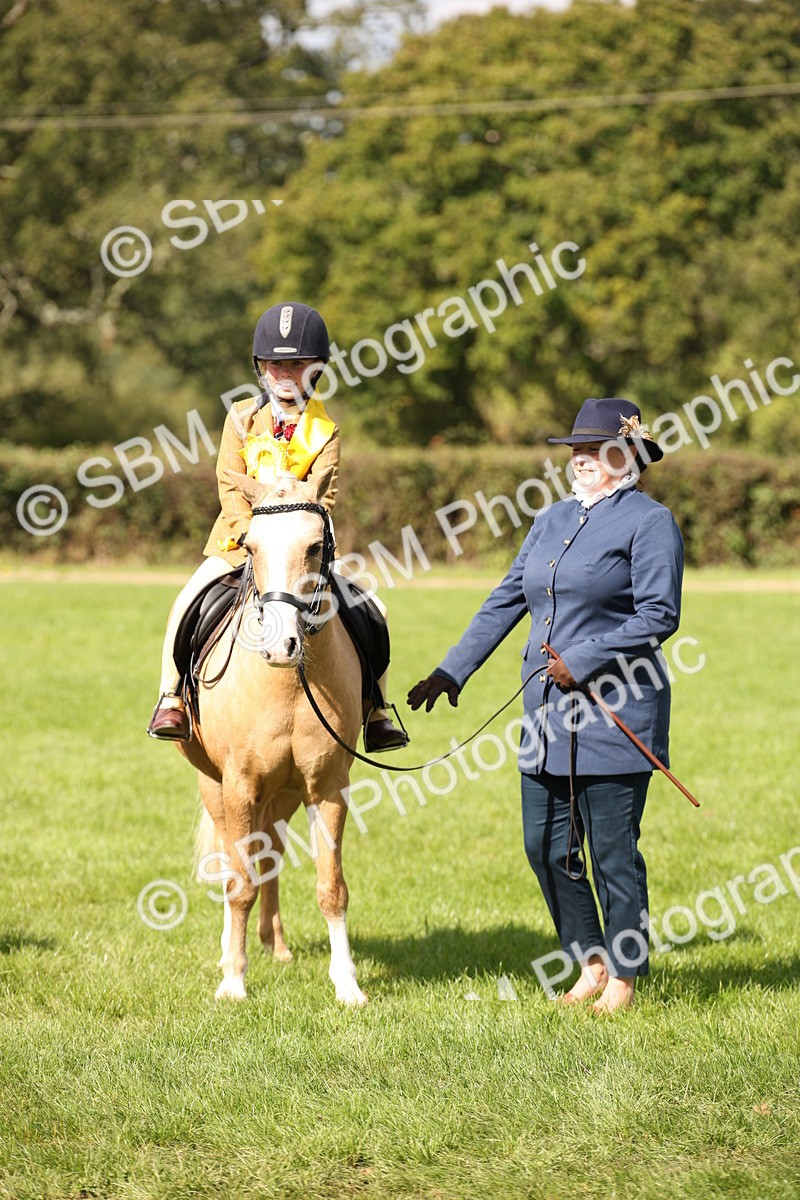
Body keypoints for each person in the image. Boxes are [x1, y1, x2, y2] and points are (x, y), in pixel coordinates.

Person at [408, 397, 684, 1012]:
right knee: (545, 845)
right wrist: (453, 670)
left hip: (618, 714)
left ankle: (623, 978)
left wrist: (584, 659)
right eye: (576, 449)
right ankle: (588, 960)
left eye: (596, 449)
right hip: (545, 714)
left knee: (612, 852)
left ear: (629, 456)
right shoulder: (553, 519)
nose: (581, 459)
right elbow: (507, 598)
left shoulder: (650, 521)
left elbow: (659, 614)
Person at [148, 301, 408, 753]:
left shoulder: (325, 431)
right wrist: (251, 536)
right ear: (260, 368)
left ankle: (377, 712)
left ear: (317, 368)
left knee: (375, 610)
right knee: (185, 601)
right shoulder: (240, 419)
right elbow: (228, 484)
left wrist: (297, 539)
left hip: (304, 551)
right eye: (275, 364)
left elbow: (323, 499)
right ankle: (171, 698)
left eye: (297, 364)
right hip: (240, 543)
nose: (285, 374)